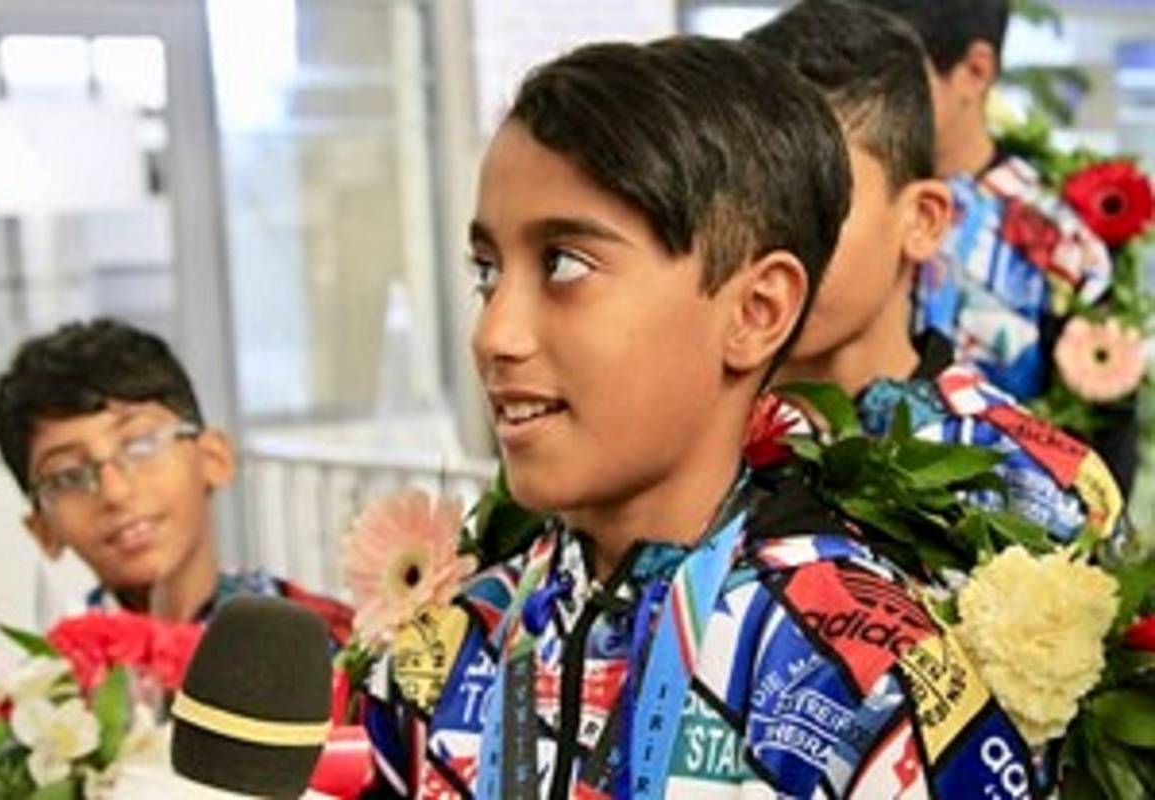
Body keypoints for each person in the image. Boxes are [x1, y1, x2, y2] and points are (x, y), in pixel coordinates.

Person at [359, 36, 1035, 798]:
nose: (494, 334)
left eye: (565, 265)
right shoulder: (444, 658)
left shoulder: (861, 681)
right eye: (487, 272)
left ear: (756, 310)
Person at [744, 0, 1122, 547]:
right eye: (740, 202)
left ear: (922, 220)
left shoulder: (1040, 489)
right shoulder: (673, 446)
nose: (765, 244)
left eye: (816, 203)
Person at [855, 0, 1136, 492]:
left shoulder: (1062, 243)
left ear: (974, 71)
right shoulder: (851, 208)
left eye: (892, 76)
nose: (869, 100)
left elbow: (1102, 458)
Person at [0, 318, 351, 643]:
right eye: (68, 476)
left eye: (140, 445)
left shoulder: (327, 642)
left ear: (214, 458)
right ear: (42, 530)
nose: (115, 492)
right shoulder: (51, 686)